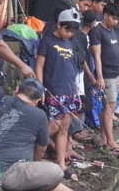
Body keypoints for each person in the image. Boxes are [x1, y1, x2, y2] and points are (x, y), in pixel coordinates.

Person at [0, 79, 105, 191]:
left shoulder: (2, 101)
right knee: (55, 172)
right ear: (39, 99)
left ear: (17, 89)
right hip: (7, 171)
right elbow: (41, 147)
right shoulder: (39, 114)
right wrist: (35, 163)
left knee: (41, 172)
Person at [35, 9, 83, 169]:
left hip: (69, 90)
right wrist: (40, 87)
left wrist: (75, 89)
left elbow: (72, 68)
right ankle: (35, 154)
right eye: (67, 29)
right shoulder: (47, 41)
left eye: (73, 31)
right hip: (53, 90)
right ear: (58, 25)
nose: (69, 33)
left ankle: (61, 162)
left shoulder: (71, 43)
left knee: (65, 127)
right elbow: (39, 66)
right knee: (53, 125)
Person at [94, 4, 119, 153]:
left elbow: (116, 55)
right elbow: (96, 56)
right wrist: (99, 76)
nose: (115, 22)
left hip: (115, 73)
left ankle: (104, 137)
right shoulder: (97, 31)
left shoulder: (114, 32)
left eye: (117, 19)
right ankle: (111, 141)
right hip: (106, 75)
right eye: (113, 18)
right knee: (109, 108)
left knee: (107, 108)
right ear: (105, 15)